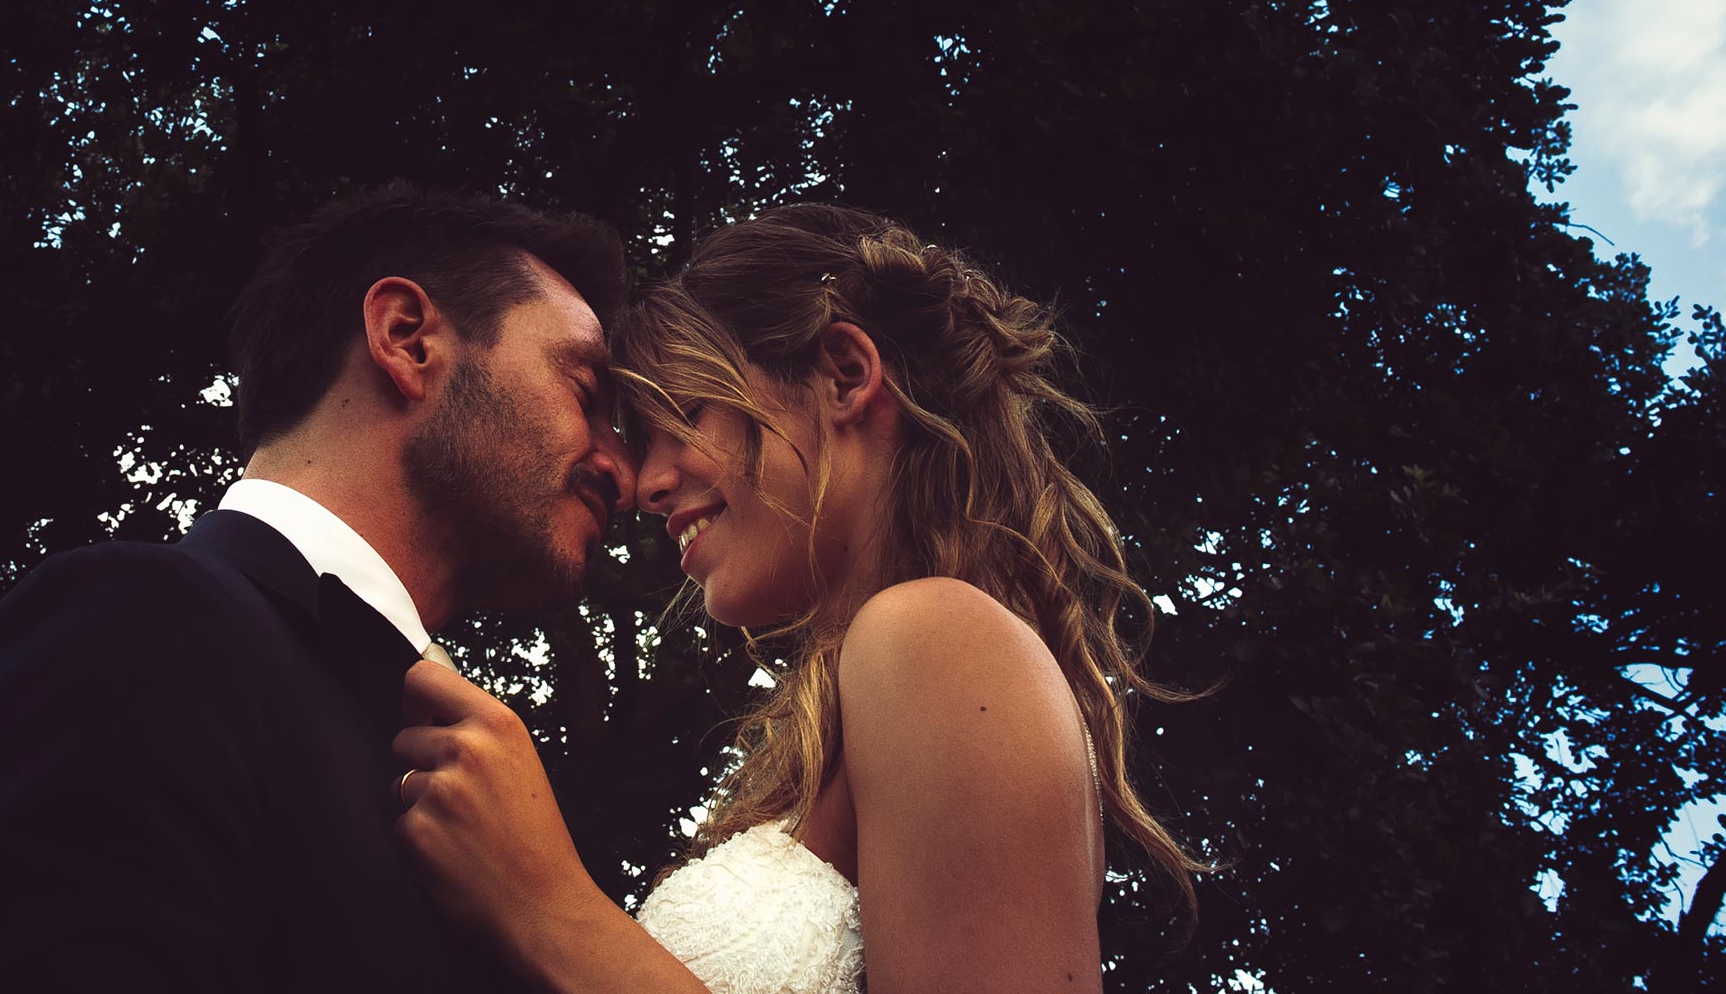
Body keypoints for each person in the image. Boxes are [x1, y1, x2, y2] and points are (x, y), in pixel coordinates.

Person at [388, 202, 1202, 994]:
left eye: (686, 416)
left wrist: (550, 911)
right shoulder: (880, 684)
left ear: (846, 376)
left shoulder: (935, 634)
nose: (647, 483)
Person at [0, 184, 637, 991]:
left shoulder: (493, 793)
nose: (621, 468)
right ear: (407, 339)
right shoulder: (135, 629)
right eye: (586, 394)